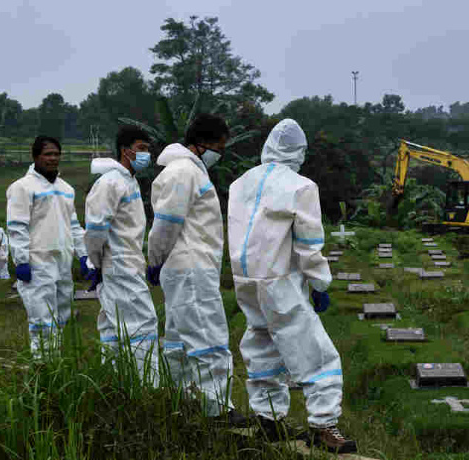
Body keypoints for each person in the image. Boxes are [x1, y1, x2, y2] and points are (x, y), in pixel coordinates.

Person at [227, 119, 357, 453]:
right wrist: (320, 282)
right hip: (279, 281)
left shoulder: (241, 182)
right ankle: (323, 424)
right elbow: (309, 242)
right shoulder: (301, 186)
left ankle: (268, 419)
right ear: (298, 152)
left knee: (261, 346)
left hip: (246, 280)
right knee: (316, 353)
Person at [146, 113, 244, 424]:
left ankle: (182, 397)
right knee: (207, 335)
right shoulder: (184, 171)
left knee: (178, 337)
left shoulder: (185, 170)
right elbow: (166, 222)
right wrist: (154, 258)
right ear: (201, 144)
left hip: (183, 267)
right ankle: (217, 408)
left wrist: (158, 261)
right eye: (219, 146)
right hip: (190, 266)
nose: (221, 152)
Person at [85, 125, 159, 383]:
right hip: (119, 265)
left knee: (112, 326)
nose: (145, 155)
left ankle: (114, 384)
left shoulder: (129, 181)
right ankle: (148, 389)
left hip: (126, 262)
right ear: (125, 151)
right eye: (141, 149)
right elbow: (95, 230)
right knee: (142, 326)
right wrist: (94, 264)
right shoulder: (110, 183)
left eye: (148, 149)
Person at [6, 135, 90, 358]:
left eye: (56, 154)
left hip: (62, 262)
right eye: (47, 154)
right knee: (42, 319)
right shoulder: (22, 188)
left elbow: (74, 225)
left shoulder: (66, 189)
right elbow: (17, 227)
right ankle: (43, 368)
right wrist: (21, 260)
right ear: (35, 157)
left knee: (61, 316)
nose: (53, 158)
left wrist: (83, 255)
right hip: (37, 263)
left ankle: (57, 363)